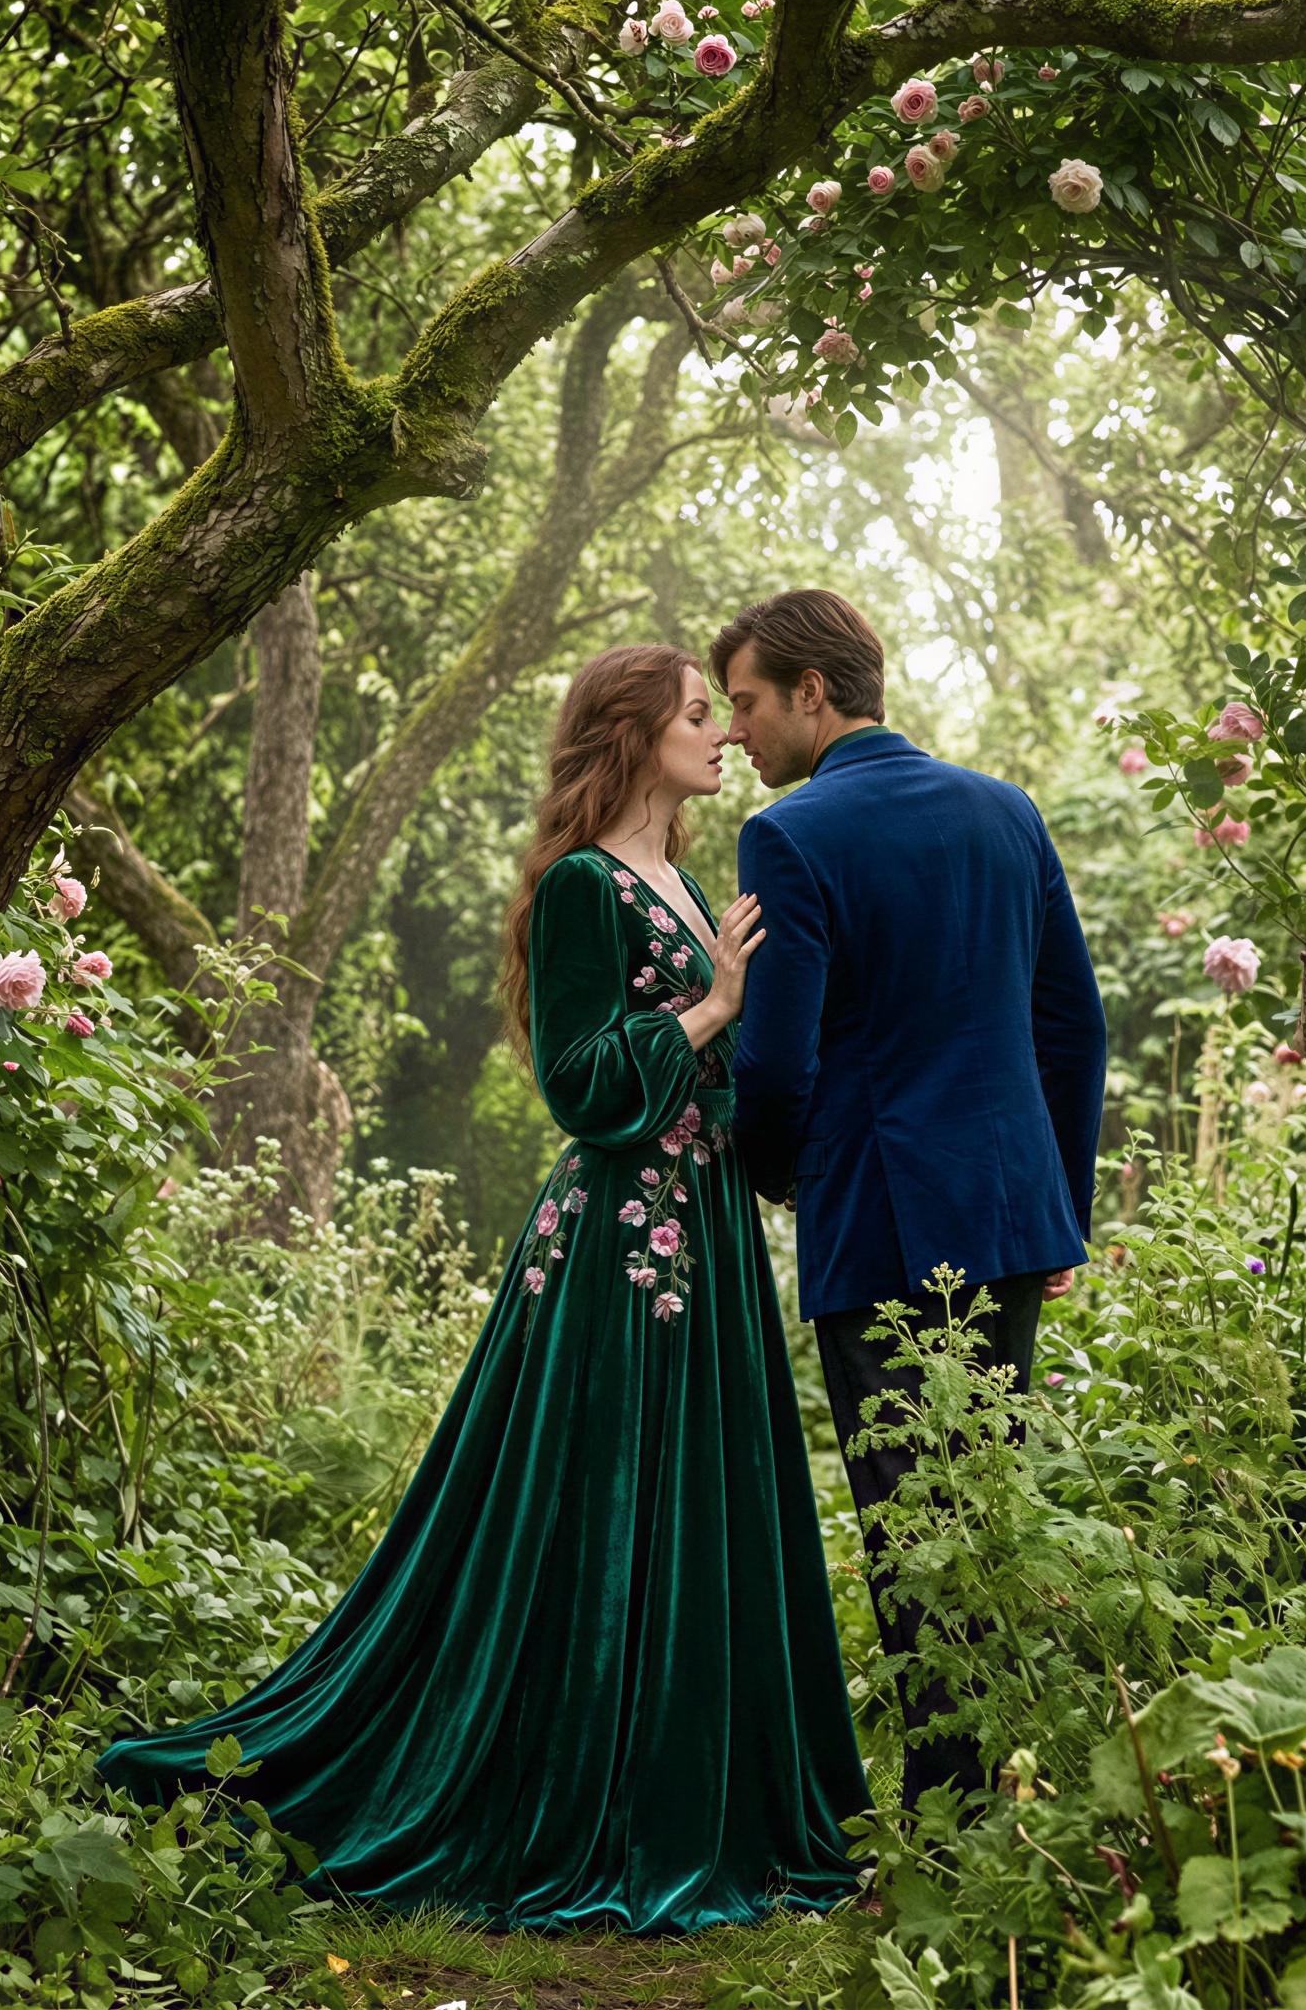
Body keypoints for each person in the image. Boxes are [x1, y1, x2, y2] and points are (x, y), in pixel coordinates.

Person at [95, 642, 872, 1932]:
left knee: (697, 1516)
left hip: (710, 1243)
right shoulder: (583, 888)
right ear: (632, 733)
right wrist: (712, 1007)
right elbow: (582, 1088)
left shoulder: (689, 882)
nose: (722, 735)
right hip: (621, 1250)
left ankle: (695, 1797)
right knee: (601, 1521)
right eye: (697, 713)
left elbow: (733, 1076)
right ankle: (568, 1798)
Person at [710, 588, 1108, 1817]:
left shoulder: (791, 837)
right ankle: (991, 1810)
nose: (736, 735)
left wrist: (776, 1173)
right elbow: (1073, 1031)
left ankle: (945, 1828)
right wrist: (1058, 1215)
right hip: (1004, 1218)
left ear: (813, 694)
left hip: (878, 1221)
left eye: (747, 703)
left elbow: (776, 1063)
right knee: (985, 1509)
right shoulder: (1006, 813)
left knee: (910, 1530)